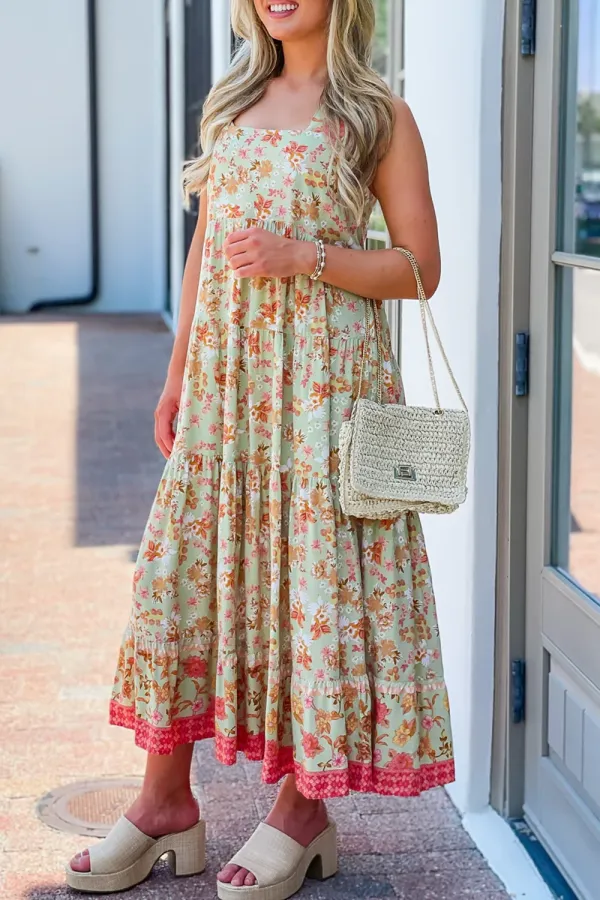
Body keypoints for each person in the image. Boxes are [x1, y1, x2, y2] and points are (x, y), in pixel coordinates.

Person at [66, 0, 454, 897]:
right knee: (178, 575)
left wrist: (304, 256)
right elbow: (207, 245)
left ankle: (302, 810)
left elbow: (421, 266)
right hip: (227, 392)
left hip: (324, 392)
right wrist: (176, 375)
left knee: (309, 583)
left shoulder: (377, 114)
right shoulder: (229, 101)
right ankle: (165, 801)